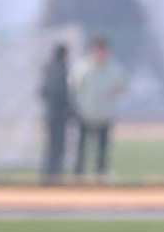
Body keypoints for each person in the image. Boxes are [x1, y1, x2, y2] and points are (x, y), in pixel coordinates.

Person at [69, 37, 126, 184]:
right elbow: (73, 86)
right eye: (98, 50)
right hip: (85, 113)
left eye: (103, 51)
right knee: (81, 147)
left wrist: (114, 92)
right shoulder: (83, 67)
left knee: (102, 148)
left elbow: (122, 85)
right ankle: (79, 175)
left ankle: (100, 175)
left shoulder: (114, 67)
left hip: (105, 113)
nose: (101, 53)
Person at [38, 43, 72, 185]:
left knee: (50, 145)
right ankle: (55, 175)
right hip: (59, 113)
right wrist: (66, 107)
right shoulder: (62, 70)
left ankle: (47, 174)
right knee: (58, 145)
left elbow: (42, 91)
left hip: (49, 112)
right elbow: (62, 91)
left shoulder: (48, 69)